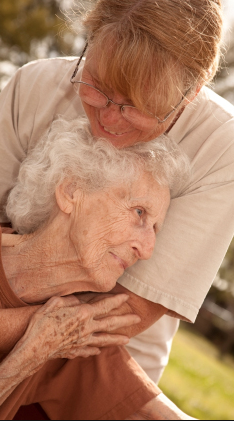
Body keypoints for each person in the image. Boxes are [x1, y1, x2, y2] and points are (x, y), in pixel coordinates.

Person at [0, 0, 234, 383]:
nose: (106, 117)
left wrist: (41, 335)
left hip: (99, 368)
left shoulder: (224, 151)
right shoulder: (34, 86)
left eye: (135, 105)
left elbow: (121, 314)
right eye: (98, 87)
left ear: (190, 94)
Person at [0, 117, 192, 420]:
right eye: (139, 213)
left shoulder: (71, 331)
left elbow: (151, 414)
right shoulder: (55, 333)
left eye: (155, 228)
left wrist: (44, 342)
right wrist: (29, 354)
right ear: (72, 191)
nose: (147, 250)